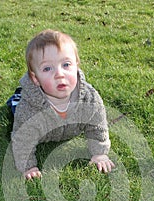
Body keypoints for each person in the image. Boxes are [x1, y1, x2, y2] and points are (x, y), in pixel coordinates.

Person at [10, 29, 115, 180]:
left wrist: (99, 153)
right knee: (15, 104)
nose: (59, 74)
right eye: (47, 68)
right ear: (35, 78)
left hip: (69, 125)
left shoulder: (90, 99)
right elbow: (22, 139)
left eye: (66, 64)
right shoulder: (28, 108)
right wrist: (28, 167)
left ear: (77, 66)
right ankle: (17, 95)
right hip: (37, 119)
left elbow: (97, 126)